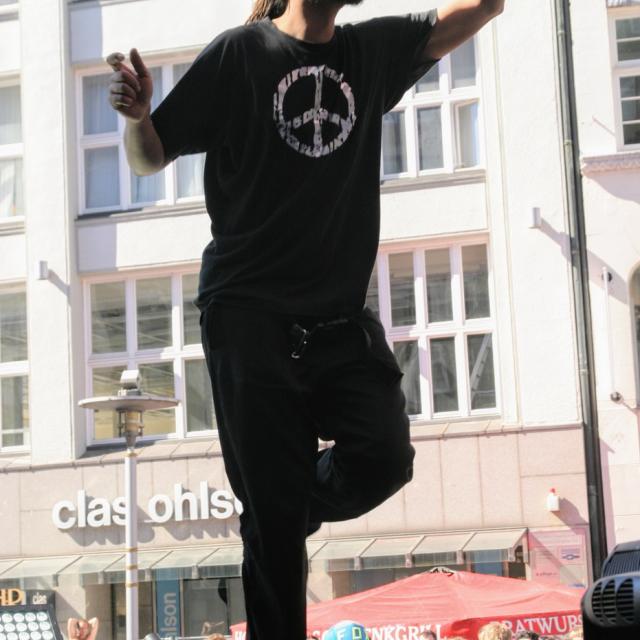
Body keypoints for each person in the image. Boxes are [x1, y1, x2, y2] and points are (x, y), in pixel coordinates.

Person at [106, 0, 504, 638]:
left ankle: (279, 505)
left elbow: (486, 6)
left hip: (336, 320)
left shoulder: (370, 52)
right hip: (248, 315)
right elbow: (150, 155)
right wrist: (136, 119)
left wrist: (284, 501)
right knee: (275, 529)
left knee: (382, 459)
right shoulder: (240, 55)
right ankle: (276, 511)